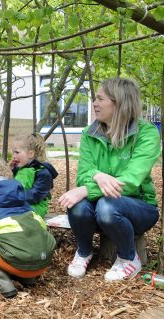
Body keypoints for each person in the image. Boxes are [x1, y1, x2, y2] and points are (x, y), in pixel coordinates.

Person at [58, 77, 160, 281]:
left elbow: (131, 180)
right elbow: (84, 172)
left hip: (139, 209)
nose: (94, 103)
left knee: (107, 206)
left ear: (119, 102)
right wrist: (97, 175)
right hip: (100, 208)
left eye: (100, 99)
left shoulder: (146, 133)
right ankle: (84, 252)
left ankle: (129, 258)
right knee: (76, 206)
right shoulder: (90, 133)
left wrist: (88, 189)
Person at [0, 158, 56, 298]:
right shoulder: (23, 203)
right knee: (16, 240)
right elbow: (41, 227)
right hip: (42, 263)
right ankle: (28, 279)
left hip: (19, 264)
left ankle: (4, 285)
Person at [11, 133, 58, 217]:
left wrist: (14, 196)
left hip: (35, 208)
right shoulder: (18, 168)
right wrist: (10, 170)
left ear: (30, 154)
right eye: (13, 152)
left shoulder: (43, 172)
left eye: (17, 152)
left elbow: (34, 196)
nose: (13, 156)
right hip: (19, 203)